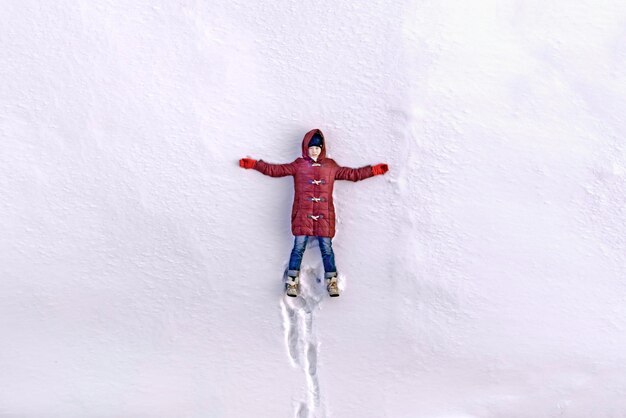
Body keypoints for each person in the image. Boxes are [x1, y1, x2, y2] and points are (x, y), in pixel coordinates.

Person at [239, 129, 388, 297]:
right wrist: (255, 164)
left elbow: (352, 174)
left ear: (322, 148)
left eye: (317, 147)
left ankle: (331, 281)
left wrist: (374, 170)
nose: (314, 151)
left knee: (327, 249)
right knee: (298, 248)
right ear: (306, 148)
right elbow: (276, 170)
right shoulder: (299, 165)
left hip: (324, 216)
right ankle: (292, 282)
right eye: (311, 148)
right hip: (303, 215)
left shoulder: (330, 166)